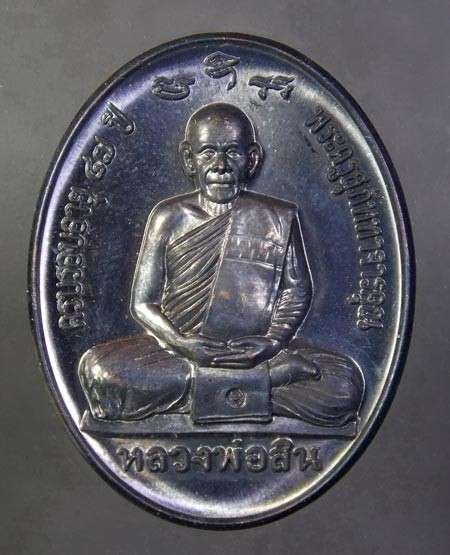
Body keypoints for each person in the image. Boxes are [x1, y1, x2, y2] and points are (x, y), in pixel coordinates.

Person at [78, 103, 364, 427]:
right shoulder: (169, 217)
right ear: (189, 160)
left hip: (259, 350)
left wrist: (273, 341)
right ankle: (267, 382)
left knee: (343, 385)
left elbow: (296, 289)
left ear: (251, 159)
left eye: (232, 153)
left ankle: (206, 389)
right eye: (208, 153)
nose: (221, 166)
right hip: (182, 353)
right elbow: (143, 303)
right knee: (102, 373)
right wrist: (181, 342)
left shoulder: (278, 217)